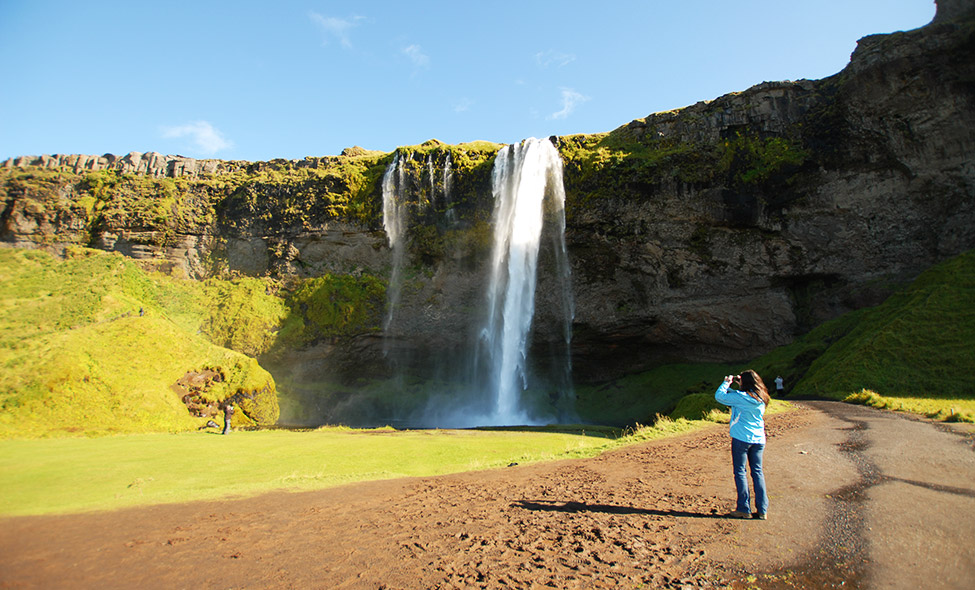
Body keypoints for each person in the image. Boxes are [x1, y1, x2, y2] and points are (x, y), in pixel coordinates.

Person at [715, 370, 770, 520]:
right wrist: (739, 384)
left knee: (740, 472)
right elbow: (741, 397)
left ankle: (743, 508)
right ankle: (762, 510)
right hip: (758, 439)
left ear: (744, 382)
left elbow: (720, 396)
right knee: (757, 472)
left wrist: (727, 382)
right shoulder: (762, 397)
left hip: (741, 438)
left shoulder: (740, 397)